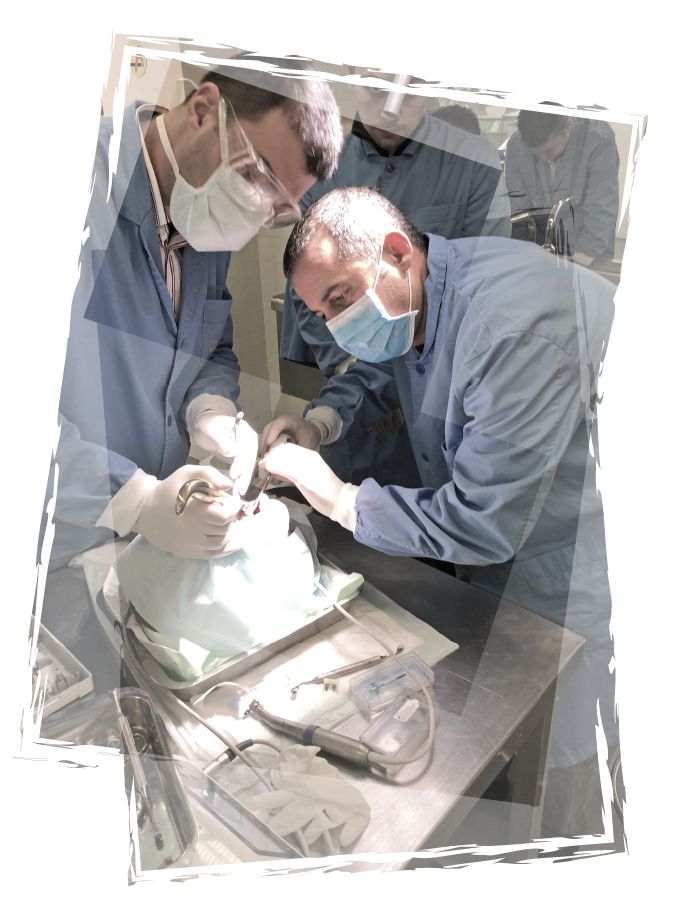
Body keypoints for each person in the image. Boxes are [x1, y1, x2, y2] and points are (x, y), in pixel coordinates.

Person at [260, 187, 619, 840]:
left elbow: (484, 520)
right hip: (503, 563)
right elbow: (379, 365)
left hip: (577, 562)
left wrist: (341, 499)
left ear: (397, 252)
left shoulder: (514, 326)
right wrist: (320, 423)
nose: (336, 324)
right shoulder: (418, 294)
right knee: (513, 737)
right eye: (320, 312)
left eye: (339, 298)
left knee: (574, 766)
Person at [42, 54, 343, 572]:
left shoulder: (203, 221)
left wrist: (211, 412)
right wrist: (133, 500)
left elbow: (207, 346)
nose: (256, 210)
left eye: (275, 208)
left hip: (138, 546)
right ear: (203, 110)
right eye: (255, 176)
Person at [278, 66, 511, 490]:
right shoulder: (320, 167)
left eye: (412, 88)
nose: (392, 110)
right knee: (346, 517)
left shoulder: (472, 162)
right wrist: (354, 375)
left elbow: (482, 294)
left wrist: (414, 386)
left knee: (439, 515)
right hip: (353, 408)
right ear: (350, 72)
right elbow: (308, 296)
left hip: (442, 403)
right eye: (375, 88)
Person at [505, 105, 620, 265]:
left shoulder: (598, 140)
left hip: (590, 249)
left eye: (549, 150)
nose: (543, 158)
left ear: (567, 127)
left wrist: (579, 263)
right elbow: (517, 211)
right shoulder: (517, 146)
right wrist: (522, 258)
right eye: (536, 153)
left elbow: (601, 211)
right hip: (539, 248)